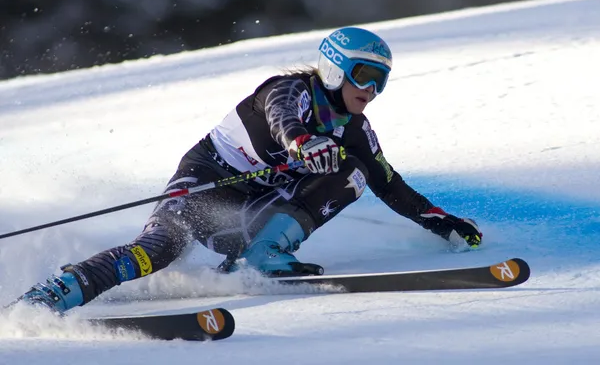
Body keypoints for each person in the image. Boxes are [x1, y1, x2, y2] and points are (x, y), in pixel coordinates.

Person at [16, 26, 482, 313]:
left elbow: (387, 182)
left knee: (354, 170)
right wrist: (303, 143)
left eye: (381, 80)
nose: (372, 88)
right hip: (201, 188)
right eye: (364, 74)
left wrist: (441, 222)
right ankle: (58, 292)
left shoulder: (354, 127)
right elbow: (283, 121)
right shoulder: (288, 90)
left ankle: (262, 255)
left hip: (246, 218)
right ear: (336, 69)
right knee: (154, 252)